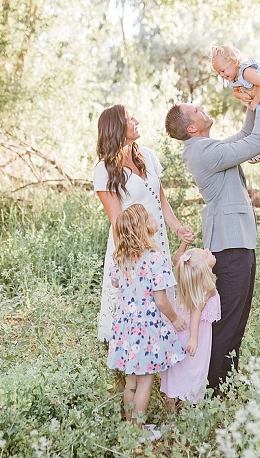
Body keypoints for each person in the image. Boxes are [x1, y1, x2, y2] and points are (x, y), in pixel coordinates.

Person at [164, 101, 260, 394]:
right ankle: (214, 390)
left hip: (237, 240)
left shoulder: (207, 147)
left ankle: (225, 384)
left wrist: (255, 104)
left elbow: (245, 135)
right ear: (192, 127)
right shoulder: (204, 151)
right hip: (228, 246)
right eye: (196, 109)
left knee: (236, 320)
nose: (202, 107)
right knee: (227, 323)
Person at [94, 104, 195, 342]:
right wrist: (126, 261)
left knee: (160, 299)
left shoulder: (147, 155)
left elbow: (160, 200)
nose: (136, 120)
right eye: (130, 119)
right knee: (132, 306)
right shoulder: (104, 170)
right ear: (116, 128)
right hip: (131, 247)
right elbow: (117, 220)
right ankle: (123, 367)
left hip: (158, 241)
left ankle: (159, 360)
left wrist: (177, 228)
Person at [106, 204, 187, 434]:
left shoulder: (121, 259)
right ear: (143, 227)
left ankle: (130, 426)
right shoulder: (155, 260)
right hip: (146, 329)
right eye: (150, 214)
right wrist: (175, 319)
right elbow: (160, 300)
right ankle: (138, 430)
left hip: (125, 326)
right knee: (146, 380)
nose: (154, 216)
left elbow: (114, 282)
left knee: (132, 379)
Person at [211, 44, 260, 171]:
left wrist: (256, 101)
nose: (221, 75)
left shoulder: (246, 71)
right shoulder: (233, 78)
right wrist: (241, 96)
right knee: (259, 122)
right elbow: (235, 91)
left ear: (234, 62)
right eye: (218, 72)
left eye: (223, 70)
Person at [160, 242, 221, 403]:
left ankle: (172, 406)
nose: (209, 251)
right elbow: (196, 312)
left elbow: (178, 261)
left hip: (181, 332)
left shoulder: (191, 281)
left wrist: (182, 245)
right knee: (194, 368)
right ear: (202, 268)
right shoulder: (206, 288)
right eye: (206, 254)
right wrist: (194, 338)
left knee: (177, 369)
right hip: (193, 333)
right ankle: (190, 402)